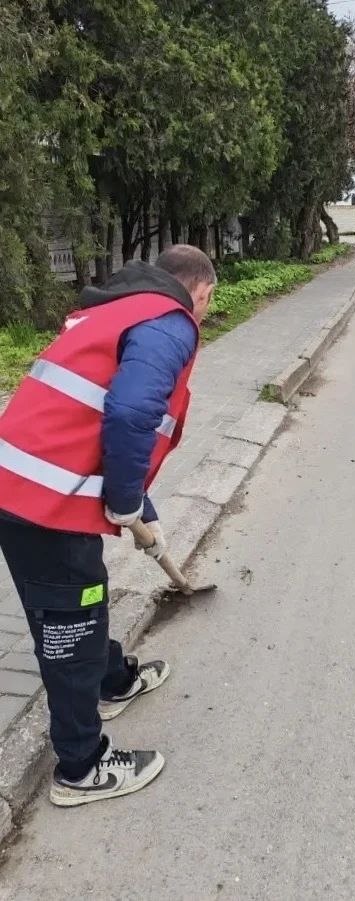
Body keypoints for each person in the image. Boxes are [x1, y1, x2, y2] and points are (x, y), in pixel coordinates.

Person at [0, 245, 216, 807]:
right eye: (208, 301)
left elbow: (94, 417)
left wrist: (142, 507)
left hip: (30, 485)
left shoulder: (119, 309)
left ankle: (113, 680)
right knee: (69, 626)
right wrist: (123, 502)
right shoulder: (171, 320)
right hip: (42, 502)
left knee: (82, 599)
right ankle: (80, 766)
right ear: (199, 290)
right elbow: (131, 413)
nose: (205, 312)